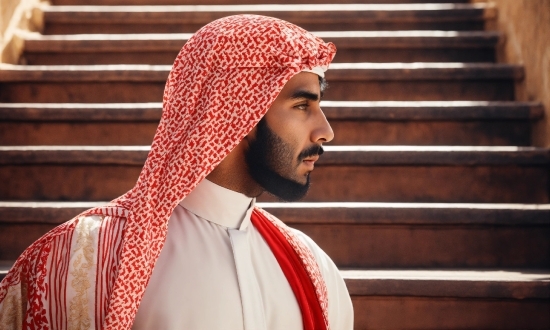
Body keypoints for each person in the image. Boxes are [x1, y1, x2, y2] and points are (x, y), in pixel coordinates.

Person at [0, 15, 353, 329]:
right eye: (302, 105)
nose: (326, 131)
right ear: (238, 111)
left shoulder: (312, 267)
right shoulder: (79, 260)